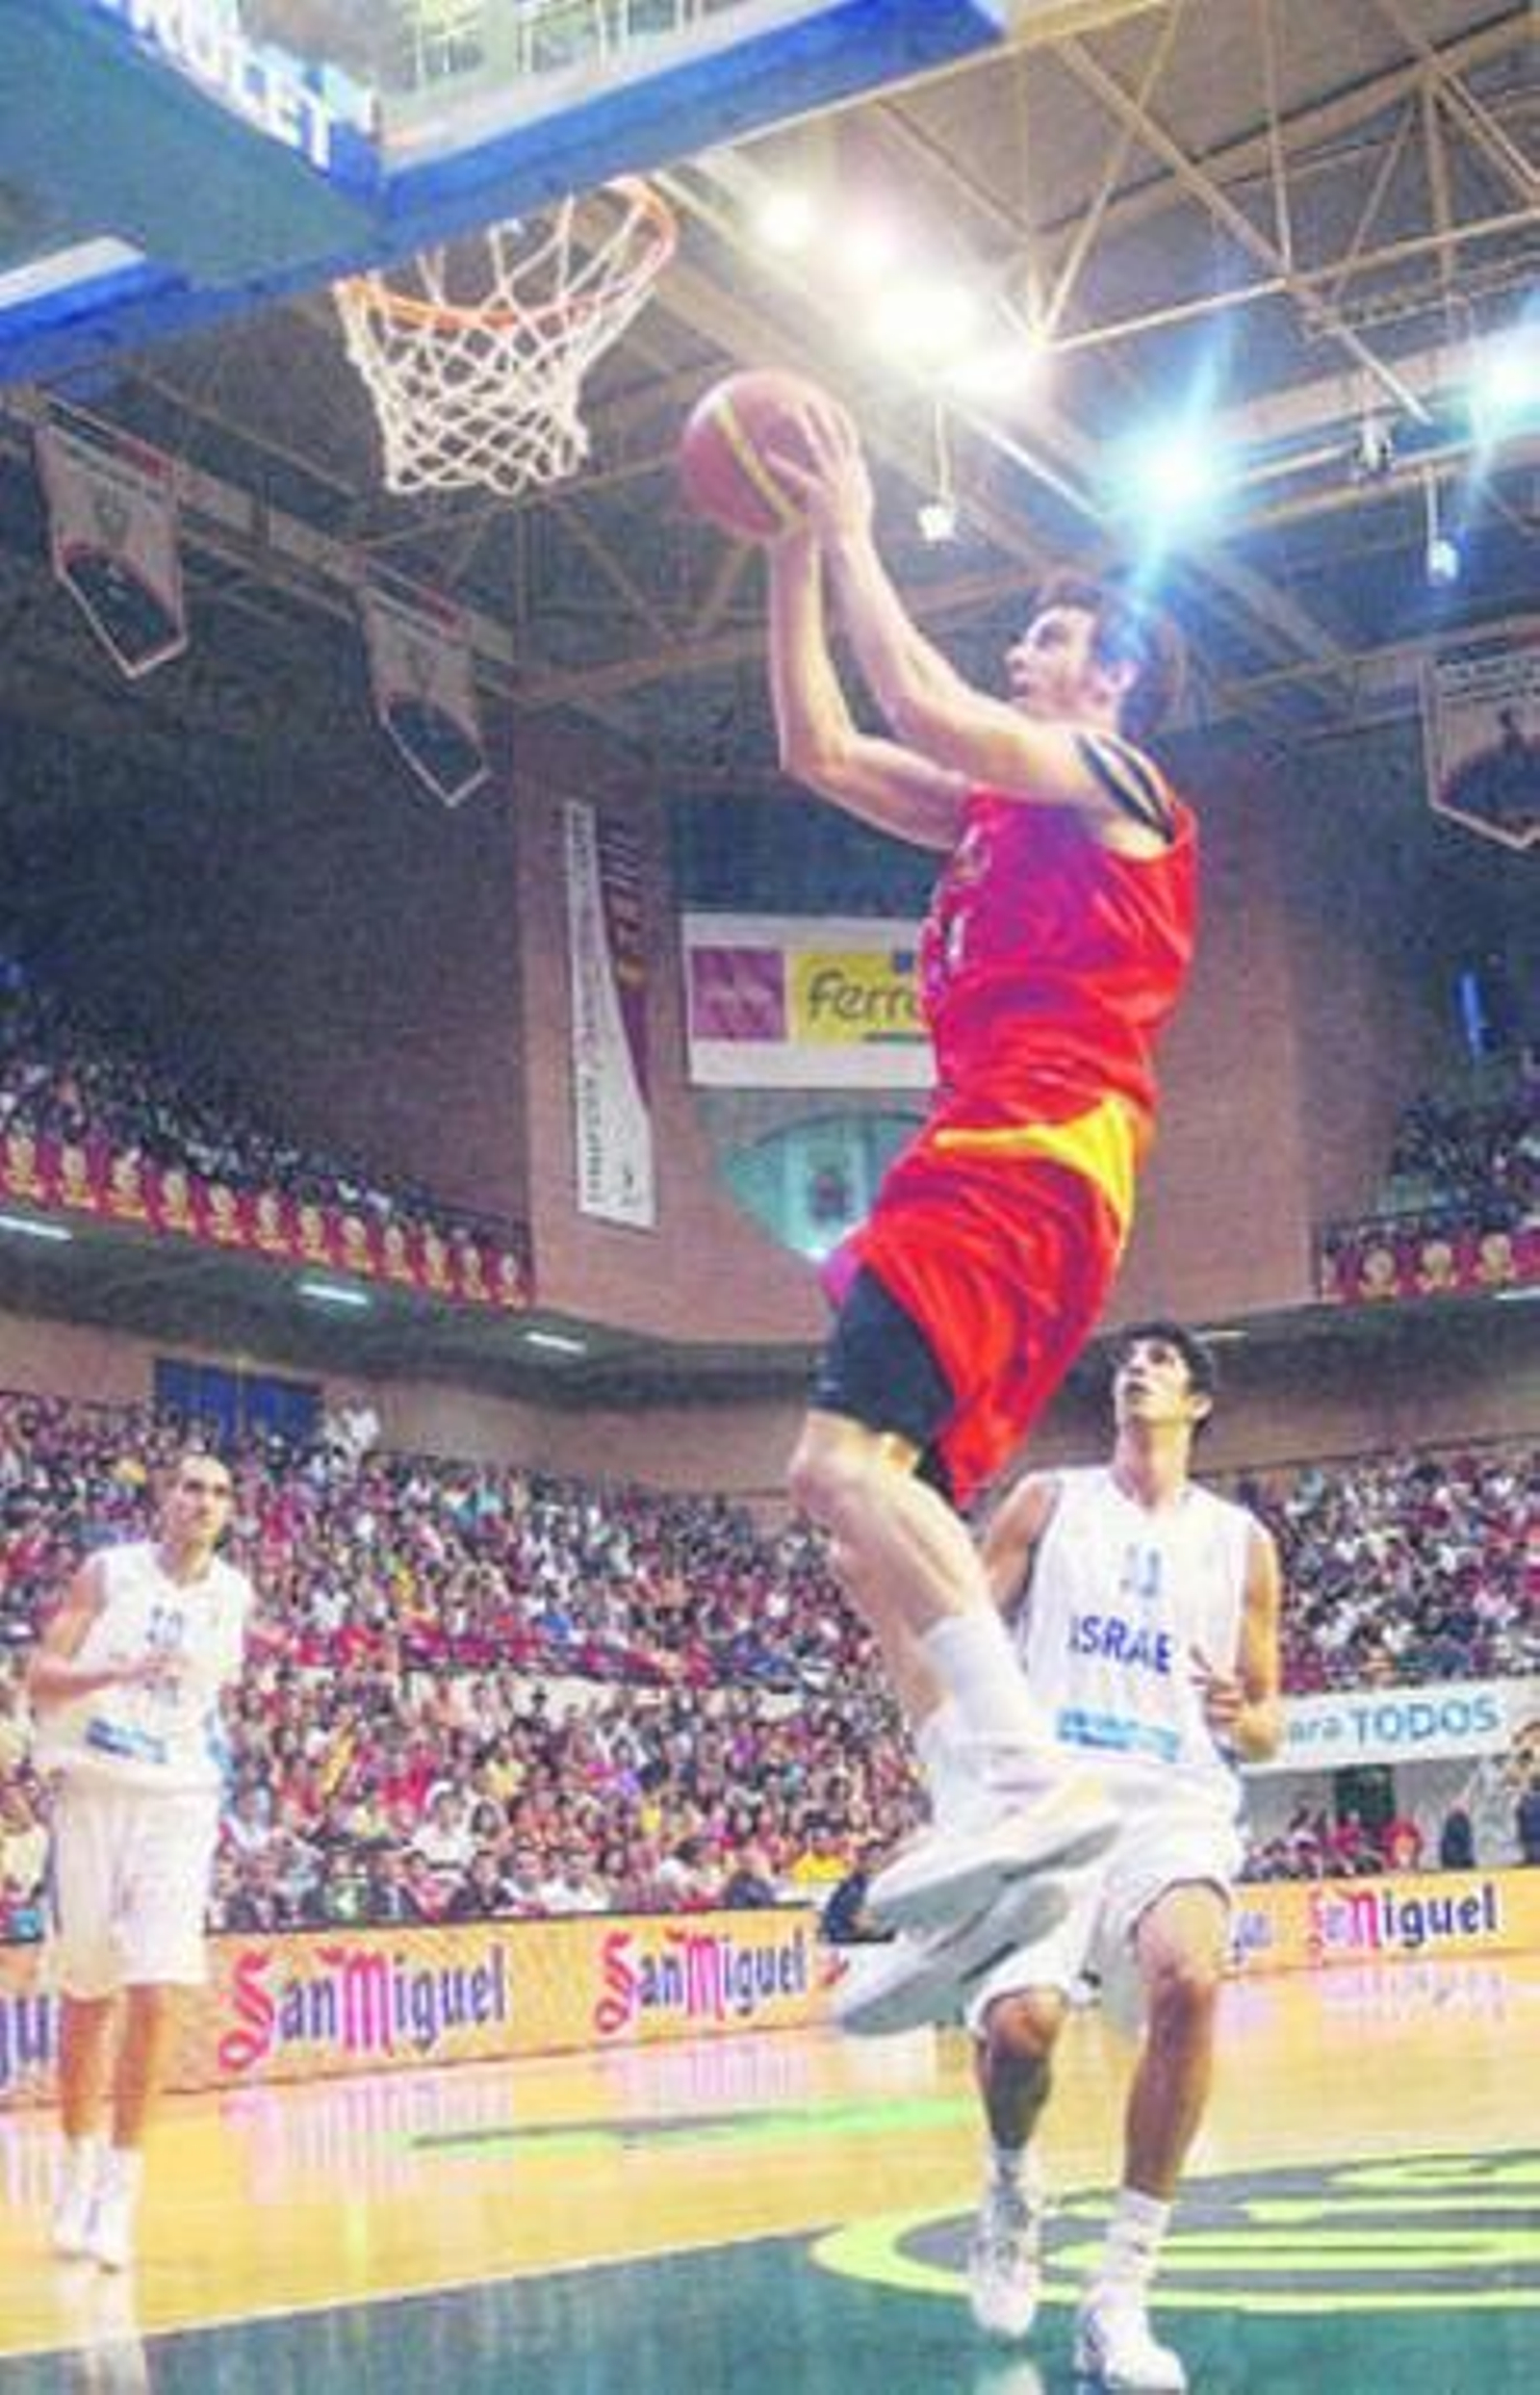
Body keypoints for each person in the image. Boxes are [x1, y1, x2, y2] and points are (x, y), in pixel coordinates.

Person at [766, 400, 1196, 1946]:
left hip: (1029, 1153)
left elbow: (919, 698)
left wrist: (853, 524)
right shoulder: (991, 817)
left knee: (833, 1467)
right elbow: (818, 746)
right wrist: (788, 550)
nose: (1022, 653)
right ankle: (974, 1831)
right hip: (1012, 1170)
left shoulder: (1118, 784)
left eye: (1050, 636)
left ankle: (1026, 1779)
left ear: (1114, 675)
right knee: (870, 1525)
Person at [867, 1325, 1279, 2390]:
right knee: (1022, 2033)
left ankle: (1119, 2295)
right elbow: (954, 1631)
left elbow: (1267, 1722)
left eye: (1163, 1360)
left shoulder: (1241, 1542)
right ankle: (1011, 2183)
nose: (1138, 1367)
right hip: (1053, 1797)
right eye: (1130, 1358)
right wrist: (956, 1789)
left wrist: (1241, 1714)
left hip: (1175, 1801)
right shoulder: (1048, 1503)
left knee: (1190, 1977)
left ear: (1198, 1403)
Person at [26, 1450, 255, 2270]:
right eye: (191, 1487)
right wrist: (117, 1671)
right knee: (88, 1996)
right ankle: (76, 2176)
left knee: (157, 1989)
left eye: (219, 1492)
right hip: (94, 1789)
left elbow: (209, 1702)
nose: (204, 1501)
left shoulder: (234, 1595)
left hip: (178, 1799)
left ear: (229, 1512)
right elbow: (41, 1676)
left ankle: (120, 2196)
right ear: (165, 1498)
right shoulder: (109, 1572)